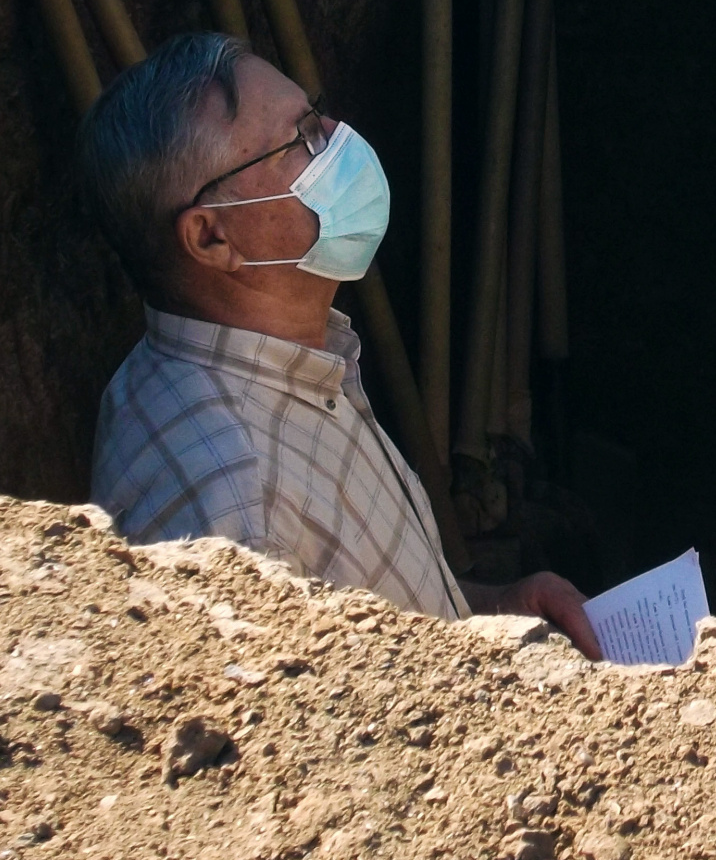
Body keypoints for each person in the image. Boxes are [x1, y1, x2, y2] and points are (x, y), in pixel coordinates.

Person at [82, 33, 600, 656]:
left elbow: (374, 613)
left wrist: (495, 607)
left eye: (316, 112)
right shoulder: (245, 518)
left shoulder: (273, 362)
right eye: (300, 138)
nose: (338, 135)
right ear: (212, 239)